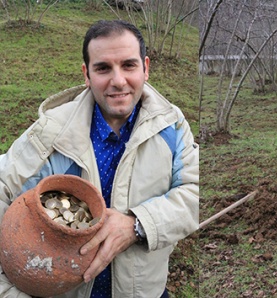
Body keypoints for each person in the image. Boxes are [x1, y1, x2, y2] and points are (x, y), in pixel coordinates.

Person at [0, 20, 199, 297]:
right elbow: (3, 187)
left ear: (146, 68)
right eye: (103, 68)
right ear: (86, 73)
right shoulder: (52, 130)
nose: (118, 81)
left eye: (128, 65)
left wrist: (137, 225)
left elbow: (194, 194)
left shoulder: (172, 127)